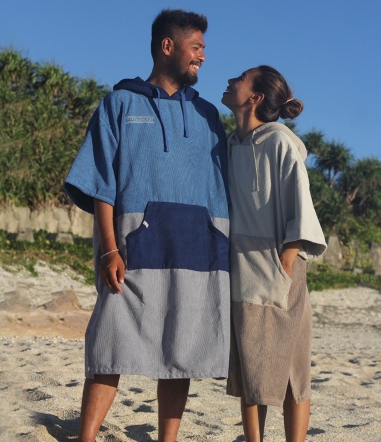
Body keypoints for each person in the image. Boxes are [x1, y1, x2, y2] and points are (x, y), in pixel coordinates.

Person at [64, 9, 230, 442]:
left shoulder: (209, 116)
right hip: (132, 251)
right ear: (167, 46)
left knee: (181, 349)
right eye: (196, 47)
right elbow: (101, 183)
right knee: (109, 343)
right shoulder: (119, 104)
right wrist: (108, 249)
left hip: (196, 251)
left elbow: (226, 189)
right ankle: (86, 437)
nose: (203, 56)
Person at [221, 65, 327, 442]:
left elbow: (301, 207)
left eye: (240, 78)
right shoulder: (229, 144)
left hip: (279, 267)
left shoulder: (280, 141)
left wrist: (284, 263)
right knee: (251, 368)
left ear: (255, 97)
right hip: (242, 269)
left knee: (293, 370)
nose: (230, 80)